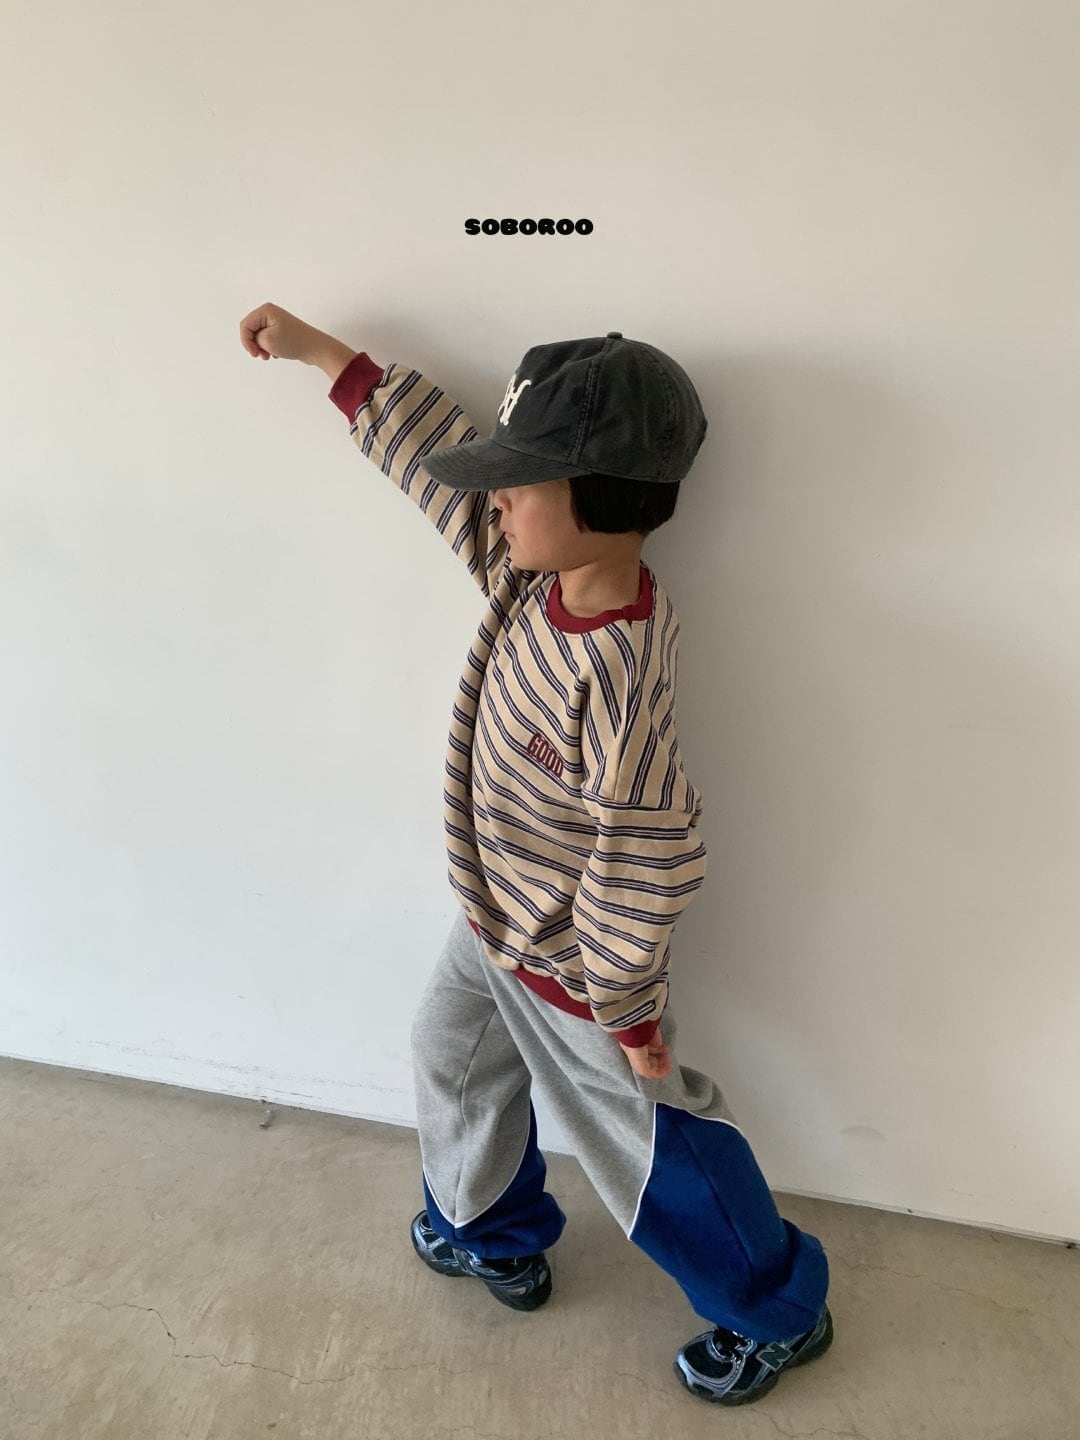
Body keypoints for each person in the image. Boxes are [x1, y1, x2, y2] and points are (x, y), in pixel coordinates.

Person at [238, 304, 833, 1406]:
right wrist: (326, 356)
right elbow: (438, 473)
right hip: (492, 918)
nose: (499, 500)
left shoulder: (620, 667)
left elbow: (645, 848)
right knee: (449, 1055)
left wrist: (629, 1011)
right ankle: (486, 1228)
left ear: (604, 498)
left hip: (575, 965)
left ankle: (776, 1306)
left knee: (653, 1142)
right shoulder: (528, 578)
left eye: (523, 481)